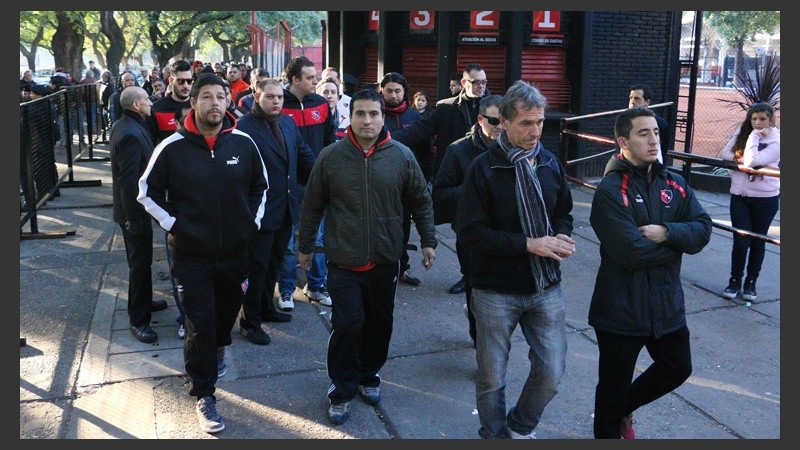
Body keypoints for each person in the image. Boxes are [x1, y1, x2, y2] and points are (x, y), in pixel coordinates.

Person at [137, 73, 268, 434]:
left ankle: (219, 346)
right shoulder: (172, 147)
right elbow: (146, 192)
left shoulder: (243, 143)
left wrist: (250, 224)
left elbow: (261, 187)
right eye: (207, 97)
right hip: (191, 255)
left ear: (228, 102)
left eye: (220, 97)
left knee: (224, 318)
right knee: (199, 324)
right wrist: (175, 225)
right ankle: (204, 393)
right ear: (193, 103)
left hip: (235, 253)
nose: (215, 103)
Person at [296, 88, 437, 426]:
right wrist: (305, 246)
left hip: (385, 259)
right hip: (344, 259)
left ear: (382, 117)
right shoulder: (330, 157)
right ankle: (342, 389)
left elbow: (420, 200)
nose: (367, 120)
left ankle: (368, 375)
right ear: (350, 116)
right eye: (360, 113)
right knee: (347, 324)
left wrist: (428, 240)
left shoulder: (402, 156)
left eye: (374, 114)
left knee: (379, 323)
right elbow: (312, 204)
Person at [455, 80, 575, 439]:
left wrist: (561, 235)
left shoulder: (549, 162)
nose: (535, 131)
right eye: (526, 123)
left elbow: (563, 212)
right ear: (504, 122)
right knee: (492, 378)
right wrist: (529, 244)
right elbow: (470, 232)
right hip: (494, 290)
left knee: (552, 371)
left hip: (545, 286)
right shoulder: (484, 168)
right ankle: (494, 435)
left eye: (540, 122)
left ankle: (519, 427)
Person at [589, 107, 712, 439]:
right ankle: (612, 418)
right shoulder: (610, 190)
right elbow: (630, 251)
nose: (653, 140)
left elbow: (703, 229)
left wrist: (667, 232)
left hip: (666, 305)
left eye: (656, 132)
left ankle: (622, 408)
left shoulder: (675, 183)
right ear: (623, 142)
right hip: (621, 310)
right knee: (611, 389)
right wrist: (679, 245)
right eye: (643, 134)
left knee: (677, 368)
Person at [393, 63, 491, 296]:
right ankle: (468, 276)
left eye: (484, 82)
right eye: (476, 82)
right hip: (458, 178)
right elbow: (421, 131)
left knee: (489, 229)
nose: (481, 86)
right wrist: (387, 138)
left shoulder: (496, 106)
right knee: (462, 229)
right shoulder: (446, 108)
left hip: (489, 176)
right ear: (464, 83)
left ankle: (485, 275)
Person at [237, 78, 316, 345]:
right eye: (270, 97)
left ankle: (266, 308)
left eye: (280, 97)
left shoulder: (288, 123)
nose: (276, 101)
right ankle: (249, 322)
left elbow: (303, 157)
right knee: (256, 269)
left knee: (274, 264)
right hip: (259, 212)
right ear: (256, 96)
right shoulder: (243, 128)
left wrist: (324, 177)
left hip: (285, 208)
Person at [432, 94, 503, 348]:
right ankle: (479, 339)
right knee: (477, 290)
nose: (501, 126)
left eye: (506, 119)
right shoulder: (458, 150)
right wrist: (474, 190)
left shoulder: (516, 149)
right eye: (495, 120)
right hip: (472, 234)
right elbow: (440, 193)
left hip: (507, 234)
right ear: (481, 119)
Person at [277, 56, 336, 312]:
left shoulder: (321, 104)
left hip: (317, 182)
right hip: (287, 186)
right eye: (311, 78)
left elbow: (330, 142)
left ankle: (316, 285)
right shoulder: (278, 104)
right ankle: (287, 288)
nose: (316, 82)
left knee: (317, 238)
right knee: (288, 240)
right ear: (295, 79)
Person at [110, 86, 166, 344]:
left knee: (143, 262)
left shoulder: (129, 125)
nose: (150, 103)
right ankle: (138, 320)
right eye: (146, 99)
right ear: (135, 105)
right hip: (134, 211)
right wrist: (133, 219)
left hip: (137, 210)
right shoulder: (130, 133)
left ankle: (144, 300)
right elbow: (128, 181)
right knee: (140, 264)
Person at [719, 102, 780, 302]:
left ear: (771, 119)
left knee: (757, 241)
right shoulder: (742, 131)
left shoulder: (777, 139)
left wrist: (754, 137)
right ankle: (734, 280)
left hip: (765, 198)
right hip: (740, 196)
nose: (757, 123)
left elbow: (752, 161)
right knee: (740, 240)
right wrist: (743, 160)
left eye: (762, 119)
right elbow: (726, 154)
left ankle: (751, 282)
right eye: (754, 119)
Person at [379, 72, 431, 286]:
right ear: (381, 91)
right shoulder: (377, 114)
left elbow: (425, 148)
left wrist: (426, 177)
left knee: (404, 228)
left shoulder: (414, 117)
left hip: (409, 181)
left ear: (404, 92)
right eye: (389, 91)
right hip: (382, 180)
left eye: (397, 91)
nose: (393, 95)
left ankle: (402, 268)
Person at [148, 60, 193, 143]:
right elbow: (151, 141)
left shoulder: (199, 106)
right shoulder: (157, 109)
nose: (186, 85)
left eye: (189, 81)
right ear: (171, 81)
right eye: (181, 81)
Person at [628, 84, 669, 163]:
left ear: (647, 102)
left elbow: (663, 150)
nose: (632, 102)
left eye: (637, 98)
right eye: (630, 98)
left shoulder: (661, 124)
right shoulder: (623, 121)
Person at [320, 66, 352, 140]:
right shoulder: (314, 108)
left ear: (339, 81)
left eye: (333, 80)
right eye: (326, 80)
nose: (329, 96)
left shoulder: (350, 101)